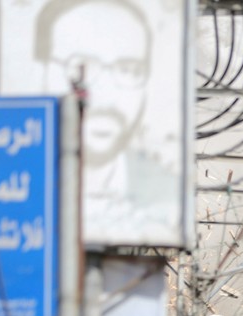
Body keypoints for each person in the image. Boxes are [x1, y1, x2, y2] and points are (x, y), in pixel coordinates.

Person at [30, 0, 180, 245]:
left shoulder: (164, 196)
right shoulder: (15, 184)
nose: (107, 96)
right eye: (81, 67)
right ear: (43, 69)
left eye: (128, 70)